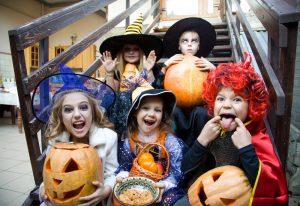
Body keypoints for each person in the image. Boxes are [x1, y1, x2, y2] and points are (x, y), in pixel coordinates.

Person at [175, 52, 288, 205]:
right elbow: (184, 170)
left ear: (251, 105)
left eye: (237, 99)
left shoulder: (255, 136)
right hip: (204, 193)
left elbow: (269, 187)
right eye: (220, 98)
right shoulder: (211, 129)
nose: (226, 105)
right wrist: (201, 142)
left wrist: (246, 149)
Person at [32, 64, 119, 206]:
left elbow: (111, 174)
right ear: (60, 116)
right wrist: (44, 190)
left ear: (93, 111)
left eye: (83, 107)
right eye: (68, 110)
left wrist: (107, 190)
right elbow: (49, 175)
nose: (77, 115)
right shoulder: (56, 140)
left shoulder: (109, 138)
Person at [115, 87, 187, 206]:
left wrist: (165, 185)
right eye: (145, 108)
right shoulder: (130, 141)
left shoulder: (169, 141)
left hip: (162, 187)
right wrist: (123, 176)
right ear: (135, 113)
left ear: (162, 115)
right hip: (137, 186)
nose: (151, 114)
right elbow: (125, 166)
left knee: (171, 201)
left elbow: (177, 172)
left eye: (157, 110)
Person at [153, 17, 217, 147]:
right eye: (185, 41)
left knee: (202, 113)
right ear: (179, 45)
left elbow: (219, 90)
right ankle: (174, 148)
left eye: (194, 41)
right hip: (177, 106)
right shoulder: (172, 63)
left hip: (199, 106)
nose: (189, 44)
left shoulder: (205, 64)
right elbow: (157, 88)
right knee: (172, 111)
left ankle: (200, 148)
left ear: (198, 46)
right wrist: (165, 67)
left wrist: (214, 70)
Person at [99, 15, 163, 140]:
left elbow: (153, 92)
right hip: (121, 113)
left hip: (144, 109)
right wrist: (110, 73)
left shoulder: (152, 67)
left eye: (135, 49)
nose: (131, 52)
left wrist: (148, 70)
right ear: (122, 52)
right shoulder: (117, 71)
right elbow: (110, 95)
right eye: (127, 49)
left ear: (141, 52)